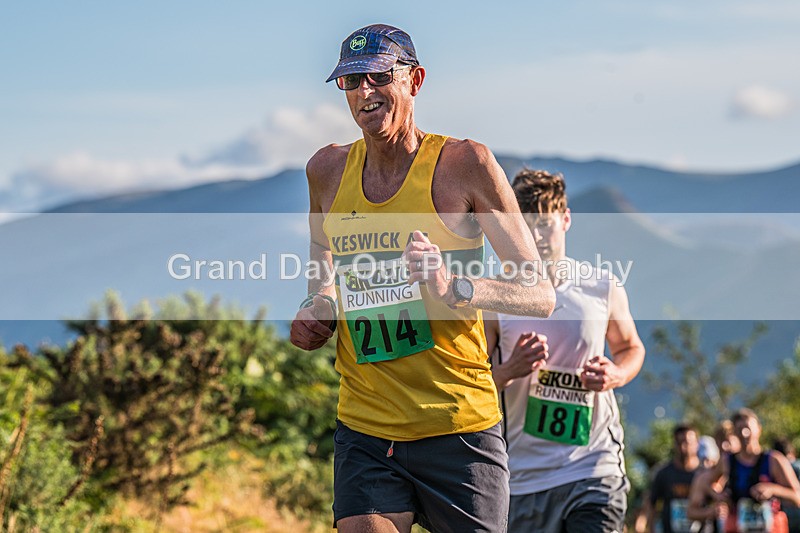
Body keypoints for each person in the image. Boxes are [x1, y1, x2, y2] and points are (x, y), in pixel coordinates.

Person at [290, 24, 556, 532]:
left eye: (378, 76)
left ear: (415, 79)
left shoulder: (465, 164)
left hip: (458, 425)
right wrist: (315, 309)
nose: (365, 91)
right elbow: (322, 277)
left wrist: (453, 287)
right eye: (350, 81)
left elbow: (539, 292)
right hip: (367, 424)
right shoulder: (325, 170)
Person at [485, 169, 645, 533]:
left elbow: (631, 348)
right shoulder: (496, 299)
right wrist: (511, 368)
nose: (536, 236)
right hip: (523, 479)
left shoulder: (601, 288)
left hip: (592, 468)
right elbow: (471, 384)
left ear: (566, 219)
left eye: (545, 223)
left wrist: (615, 374)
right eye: (525, 227)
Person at [692, 409, 800, 533]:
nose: (744, 434)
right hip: (737, 527)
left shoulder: (773, 460)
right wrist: (719, 496)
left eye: (748, 428)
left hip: (770, 527)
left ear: (759, 429)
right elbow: (706, 483)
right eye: (739, 430)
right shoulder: (727, 461)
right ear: (734, 433)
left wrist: (772, 489)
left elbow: (797, 497)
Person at [647, 424, 702, 533]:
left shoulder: (705, 475)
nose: (683, 447)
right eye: (679, 442)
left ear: (697, 444)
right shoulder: (663, 473)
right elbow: (651, 504)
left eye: (687, 442)